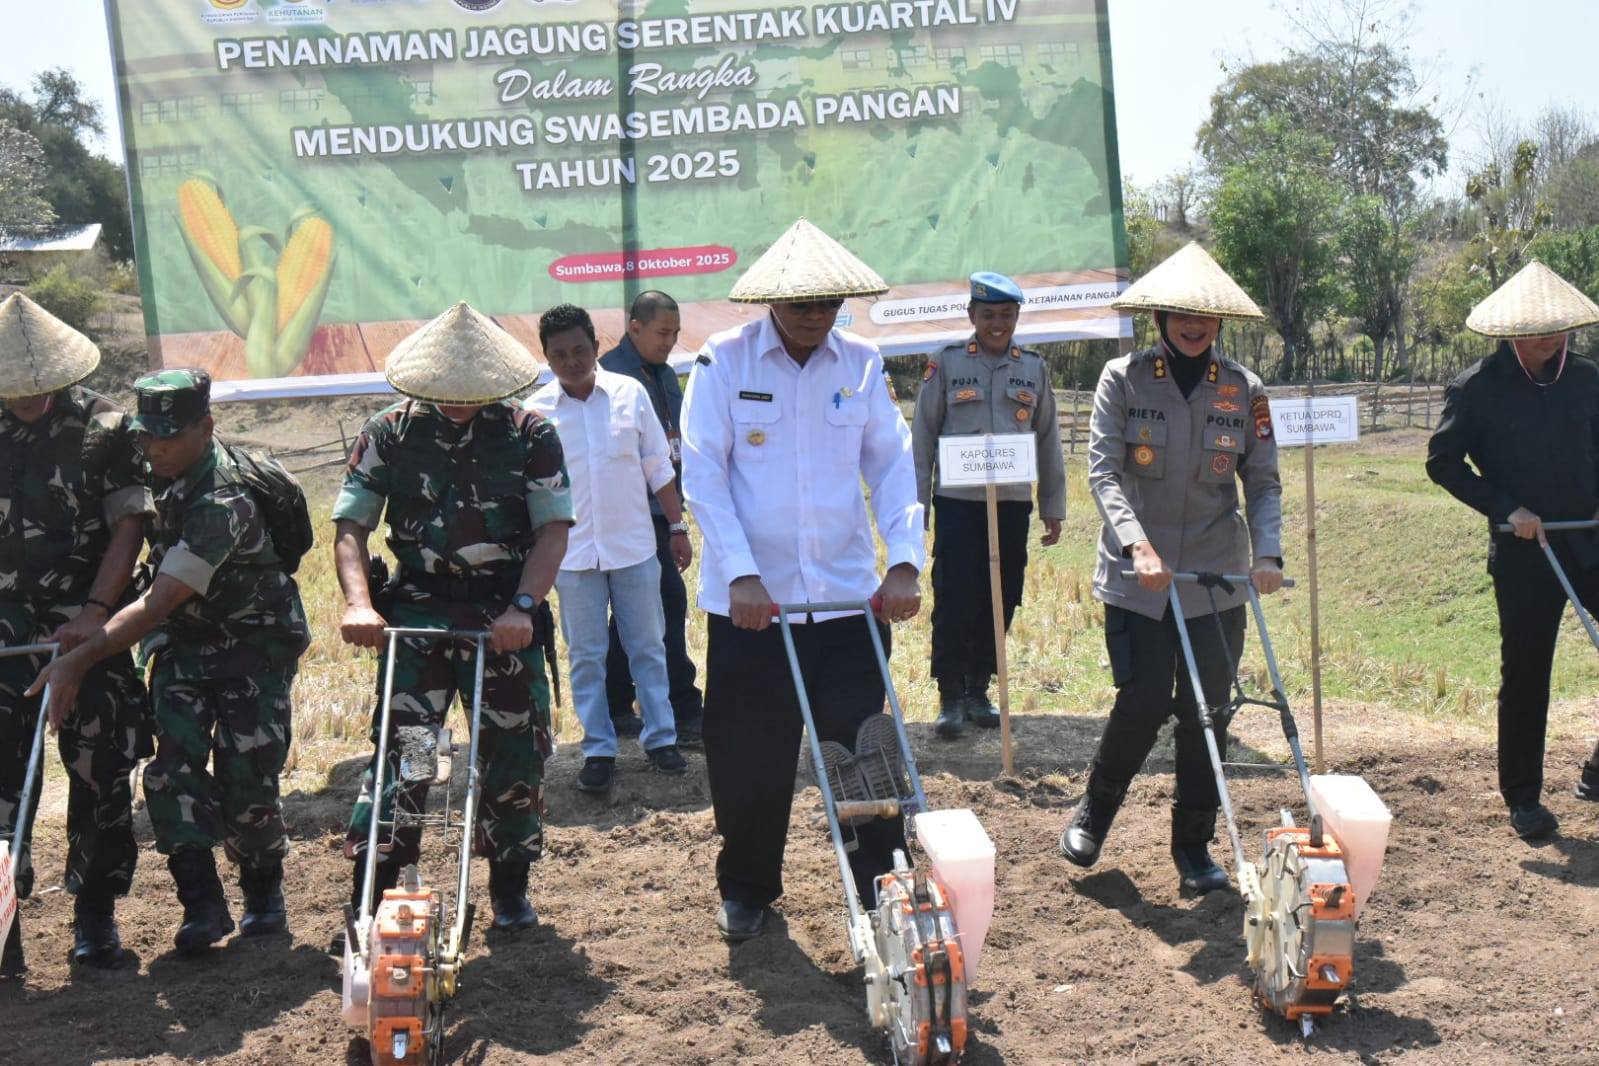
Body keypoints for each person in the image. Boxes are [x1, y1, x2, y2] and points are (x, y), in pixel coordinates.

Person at [682, 218, 924, 941]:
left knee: (862, 758)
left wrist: (905, 559)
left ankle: (879, 894)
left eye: (827, 304)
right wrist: (742, 577)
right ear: (771, 302)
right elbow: (703, 476)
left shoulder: (861, 364)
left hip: (850, 604)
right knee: (749, 757)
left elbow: (890, 464)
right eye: (801, 304)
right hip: (754, 612)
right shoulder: (721, 363)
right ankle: (748, 889)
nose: (815, 317)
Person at [32, 368, 310, 952]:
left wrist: (80, 657)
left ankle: (263, 894)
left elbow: (156, 603)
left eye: (168, 436)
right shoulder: (156, 470)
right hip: (184, 646)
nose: (153, 448)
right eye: (146, 435)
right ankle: (202, 905)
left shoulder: (224, 501)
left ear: (205, 428)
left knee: (247, 776)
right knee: (172, 768)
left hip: (251, 648)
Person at [333, 302, 571, 933]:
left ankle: (510, 888)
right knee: (406, 753)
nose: (461, 403)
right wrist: (360, 603)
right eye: (448, 393)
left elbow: (551, 532)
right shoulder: (387, 432)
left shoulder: (531, 434)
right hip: (418, 614)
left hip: (504, 613)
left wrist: (523, 606)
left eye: (475, 393)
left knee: (512, 752)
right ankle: (374, 890)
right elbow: (352, 526)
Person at [1059, 242, 1284, 896]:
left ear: (1219, 323)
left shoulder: (1244, 390)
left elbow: (1262, 484)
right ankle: (1094, 812)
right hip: (1138, 579)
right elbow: (1102, 472)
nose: (1193, 325)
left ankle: (1193, 845)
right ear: (1158, 316)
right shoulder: (1122, 379)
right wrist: (1136, 544)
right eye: (1180, 314)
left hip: (1213, 579)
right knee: (1144, 700)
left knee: (1209, 712)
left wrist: (1266, 554)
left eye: (1205, 317)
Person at [0, 294, 152, 974]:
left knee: (99, 769)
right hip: (4, 630)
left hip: (82, 630)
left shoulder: (107, 428)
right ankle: (3, 932)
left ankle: (95, 915)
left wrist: (95, 613)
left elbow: (129, 525)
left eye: (39, 388)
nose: (28, 399)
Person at [1425, 260, 1599, 839]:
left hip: (1590, 538)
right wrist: (1506, 509)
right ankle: (1523, 797)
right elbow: (1443, 463)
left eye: (1560, 327)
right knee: (1527, 673)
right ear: (1514, 332)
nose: (1554, 338)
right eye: (1541, 329)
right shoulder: (1477, 388)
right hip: (1526, 552)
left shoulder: (1587, 378)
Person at [528, 304, 690, 793]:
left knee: (648, 647)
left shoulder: (630, 394)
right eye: (561, 354)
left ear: (597, 346)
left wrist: (679, 526)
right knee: (586, 655)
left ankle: (661, 739)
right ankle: (598, 748)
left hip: (635, 546)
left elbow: (657, 467)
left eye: (581, 349)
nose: (573, 361)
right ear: (548, 358)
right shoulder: (535, 413)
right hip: (572, 556)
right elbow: (530, 490)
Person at [911, 272, 1067, 739]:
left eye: (1006, 315)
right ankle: (951, 694)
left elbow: (1048, 439)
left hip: (1012, 503)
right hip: (958, 504)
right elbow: (922, 437)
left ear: (1017, 317)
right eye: (988, 315)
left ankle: (980, 688)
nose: (997, 324)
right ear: (972, 316)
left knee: (1002, 595)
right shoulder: (947, 364)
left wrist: (1052, 505)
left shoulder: (1034, 369)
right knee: (956, 595)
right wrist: (917, 505)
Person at [599, 291, 704, 745]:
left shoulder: (665, 375)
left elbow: (672, 444)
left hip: (661, 509)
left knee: (636, 611)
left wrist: (677, 514)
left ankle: (617, 704)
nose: (670, 342)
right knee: (665, 602)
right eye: (663, 333)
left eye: (676, 334)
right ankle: (683, 708)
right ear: (635, 327)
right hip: (625, 513)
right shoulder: (608, 375)